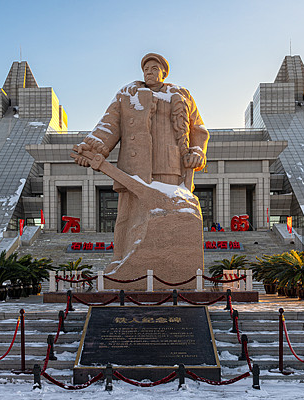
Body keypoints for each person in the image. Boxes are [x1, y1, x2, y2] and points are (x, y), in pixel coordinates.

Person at [73, 52, 209, 265]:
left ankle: (172, 264)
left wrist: (196, 152)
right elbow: (109, 123)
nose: (149, 72)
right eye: (146, 69)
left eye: (154, 68)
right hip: (134, 167)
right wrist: (91, 148)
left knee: (169, 216)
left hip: (170, 164)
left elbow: (198, 129)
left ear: (164, 73)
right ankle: (122, 261)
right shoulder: (128, 94)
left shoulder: (181, 95)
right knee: (129, 217)